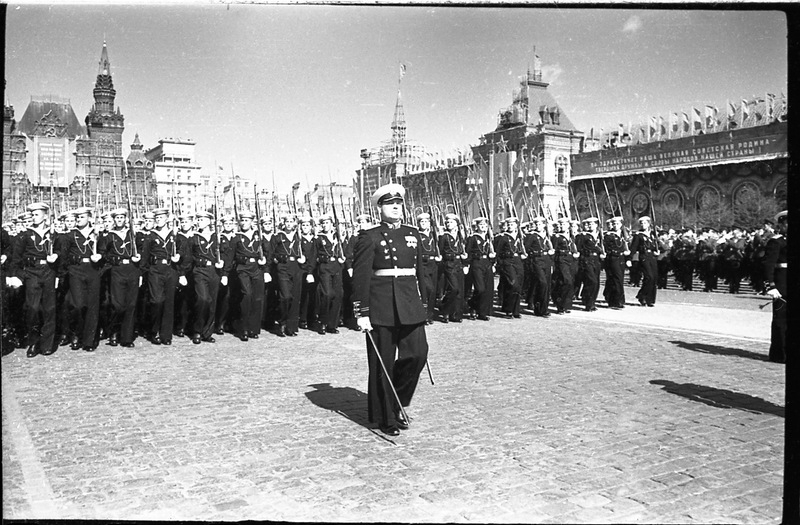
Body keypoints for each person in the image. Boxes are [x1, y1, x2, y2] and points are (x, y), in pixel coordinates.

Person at [352, 183, 429, 437]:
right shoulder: (369, 236)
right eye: (389, 204)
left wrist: (424, 303)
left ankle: (395, 402)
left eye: (398, 203)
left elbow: (420, 271)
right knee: (382, 362)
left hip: (409, 303)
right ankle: (386, 417)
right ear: (380, 209)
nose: (395, 207)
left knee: (417, 355)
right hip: (381, 306)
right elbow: (361, 277)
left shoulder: (413, 233)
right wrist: (361, 312)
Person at [7, 202, 60, 357]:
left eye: (37, 214)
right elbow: (16, 258)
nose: (33, 217)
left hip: (49, 272)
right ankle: (33, 342)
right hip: (32, 273)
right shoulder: (24, 235)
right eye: (32, 214)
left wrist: (55, 255)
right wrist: (15, 276)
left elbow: (59, 251)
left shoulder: (53, 234)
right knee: (33, 308)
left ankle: (47, 344)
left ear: (45, 215)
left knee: (49, 309)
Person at [98, 208, 142, 348]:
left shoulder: (133, 235)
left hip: (132, 269)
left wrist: (138, 257)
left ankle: (127, 337)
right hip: (117, 270)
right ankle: (113, 332)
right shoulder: (109, 236)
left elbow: (142, 250)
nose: (119, 220)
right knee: (118, 305)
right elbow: (103, 253)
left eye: (122, 218)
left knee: (131, 304)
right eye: (117, 218)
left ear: (126, 219)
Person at [763, 210, 787, 363]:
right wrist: (770, 286)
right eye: (786, 224)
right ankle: (779, 354)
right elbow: (768, 265)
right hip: (781, 285)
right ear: (781, 225)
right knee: (781, 320)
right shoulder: (776, 242)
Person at [314, 214, 345, 335]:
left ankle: (332, 324)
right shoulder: (319, 238)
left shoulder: (337, 236)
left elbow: (343, 249)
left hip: (336, 266)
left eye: (327, 223)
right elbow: (314, 254)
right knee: (327, 294)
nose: (325, 225)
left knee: (338, 294)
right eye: (323, 223)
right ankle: (322, 322)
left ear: (332, 224)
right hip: (325, 266)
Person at [493, 216, 527, 318]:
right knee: (513, 285)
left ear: (516, 225)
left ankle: (516, 310)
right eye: (509, 225)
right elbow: (498, 252)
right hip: (507, 262)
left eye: (512, 224)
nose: (510, 226)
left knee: (519, 285)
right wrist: (499, 264)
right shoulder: (504, 237)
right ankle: (508, 309)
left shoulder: (520, 237)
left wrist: (523, 254)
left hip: (518, 261)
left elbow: (522, 249)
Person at [438, 213, 467, 322]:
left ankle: (456, 314)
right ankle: (445, 308)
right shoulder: (444, 236)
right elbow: (440, 252)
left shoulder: (460, 236)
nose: (449, 224)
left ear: (456, 224)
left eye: (452, 222)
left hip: (459, 263)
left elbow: (463, 249)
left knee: (459, 290)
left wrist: (465, 261)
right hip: (449, 264)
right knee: (453, 289)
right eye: (448, 222)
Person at [465, 217, 495, 321]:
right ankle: (473, 305)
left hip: (487, 263)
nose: (483, 227)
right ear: (477, 227)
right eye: (481, 225)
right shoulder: (473, 238)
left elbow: (492, 251)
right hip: (476, 263)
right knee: (480, 288)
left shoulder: (489, 238)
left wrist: (493, 261)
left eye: (485, 225)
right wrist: (466, 264)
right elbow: (467, 251)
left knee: (487, 289)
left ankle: (482, 312)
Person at [524, 216, 554, 317]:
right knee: (542, 283)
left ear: (544, 225)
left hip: (547, 260)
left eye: (540, 224)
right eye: (536, 224)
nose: (538, 226)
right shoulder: (532, 236)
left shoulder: (548, 235)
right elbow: (526, 249)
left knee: (547, 285)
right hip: (536, 260)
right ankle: (538, 307)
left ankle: (543, 309)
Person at [416, 212, 440, 325]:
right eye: (421, 221)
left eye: (426, 221)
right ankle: (423, 314)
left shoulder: (433, 235)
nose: (424, 223)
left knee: (433, 290)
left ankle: (429, 315)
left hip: (433, 264)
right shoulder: (417, 235)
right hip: (423, 264)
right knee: (427, 289)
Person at [602, 216, 631, 309]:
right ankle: (617, 301)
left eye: (617, 224)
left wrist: (627, 255)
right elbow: (606, 247)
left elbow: (626, 245)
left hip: (621, 258)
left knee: (619, 279)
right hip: (613, 258)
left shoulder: (623, 235)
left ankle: (615, 300)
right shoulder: (609, 235)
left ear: (621, 224)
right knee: (616, 279)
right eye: (614, 224)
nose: (615, 225)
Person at [630, 216, 659, 307]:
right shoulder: (638, 235)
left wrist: (657, 251)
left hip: (652, 257)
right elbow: (633, 248)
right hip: (644, 256)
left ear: (649, 224)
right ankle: (642, 295)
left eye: (645, 223)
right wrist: (629, 259)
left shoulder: (653, 234)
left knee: (654, 278)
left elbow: (655, 246)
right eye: (641, 223)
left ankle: (650, 299)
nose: (643, 225)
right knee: (649, 277)